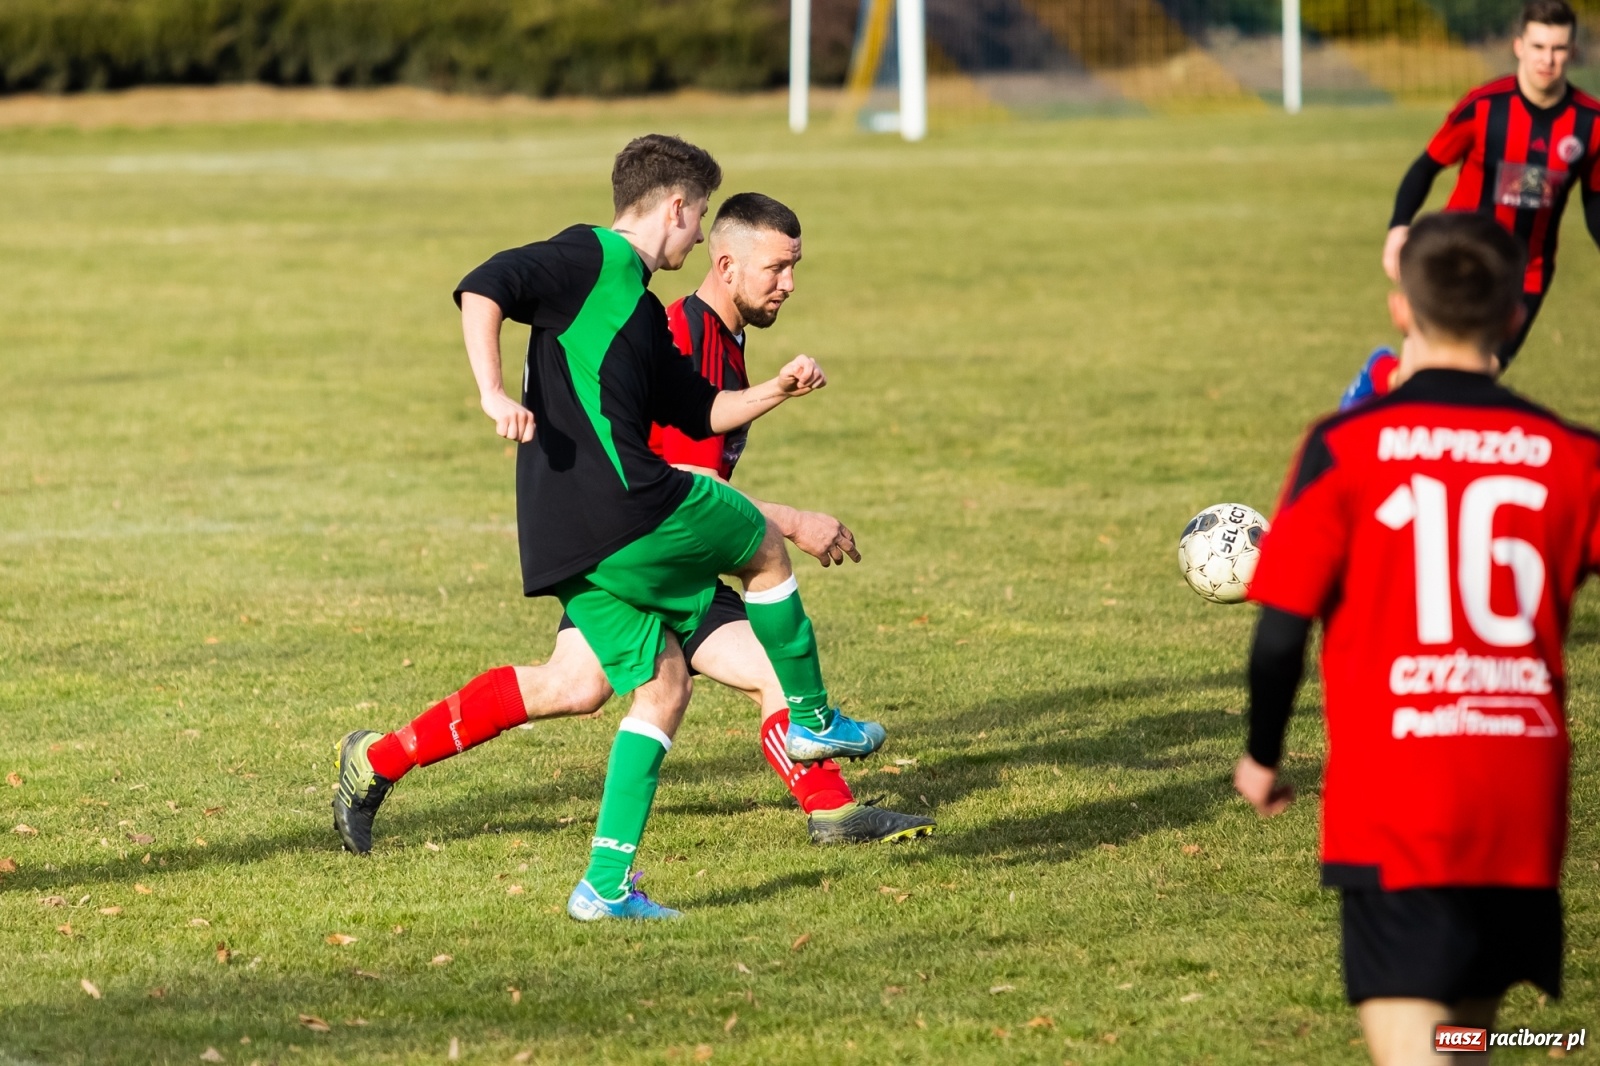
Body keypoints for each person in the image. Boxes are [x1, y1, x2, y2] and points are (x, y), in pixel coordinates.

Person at [333, 135, 890, 921]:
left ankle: (603, 887)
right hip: (626, 507)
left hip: (578, 536)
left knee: (646, 686)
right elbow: (483, 287)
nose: (699, 236)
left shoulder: (639, 309)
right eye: (698, 220)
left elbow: (700, 408)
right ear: (676, 207)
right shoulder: (589, 258)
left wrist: (775, 388)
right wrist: (492, 393)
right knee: (762, 543)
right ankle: (812, 723)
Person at [1237, 212, 1599, 1064]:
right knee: (1466, 1037)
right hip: (1522, 798)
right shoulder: (1572, 454)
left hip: (1399, 796)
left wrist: (1260, 754)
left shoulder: (1345, 446)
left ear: (1402, 311)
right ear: (1514, 316)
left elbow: (1280, 633)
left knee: (1417, 1049)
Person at [1343, 0, 1600, 408]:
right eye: (1538, 47)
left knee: (1484, 371)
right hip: (1456, 256)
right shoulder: (1484, 107)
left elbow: (1595, 204)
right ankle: (1382, 374)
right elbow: (1425, 167)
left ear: (1572, 52)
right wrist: (1398, 227)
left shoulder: (1591, 122)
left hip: (1526, 270)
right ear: (1518, 46)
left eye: (1558, 48)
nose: (1547, 60)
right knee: (1425, 375)